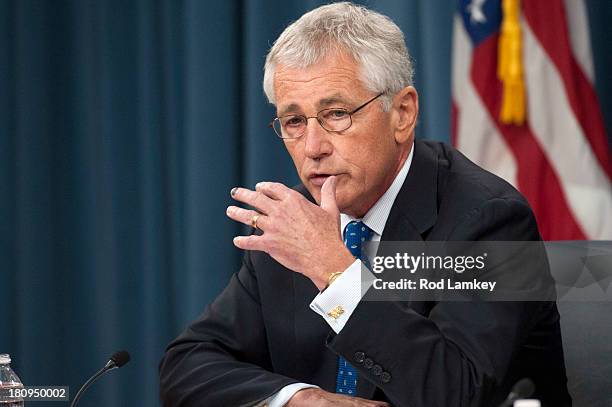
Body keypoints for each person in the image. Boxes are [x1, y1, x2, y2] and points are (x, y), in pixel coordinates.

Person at [159, 3, 571, 406]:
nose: (313, 148)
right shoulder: (295, 223)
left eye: (336, 114)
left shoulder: (488, 220)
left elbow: (455, 391)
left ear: (402, 113)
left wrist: (334, 271)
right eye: (294, 122)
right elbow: (187, 366)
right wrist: (299, 398)